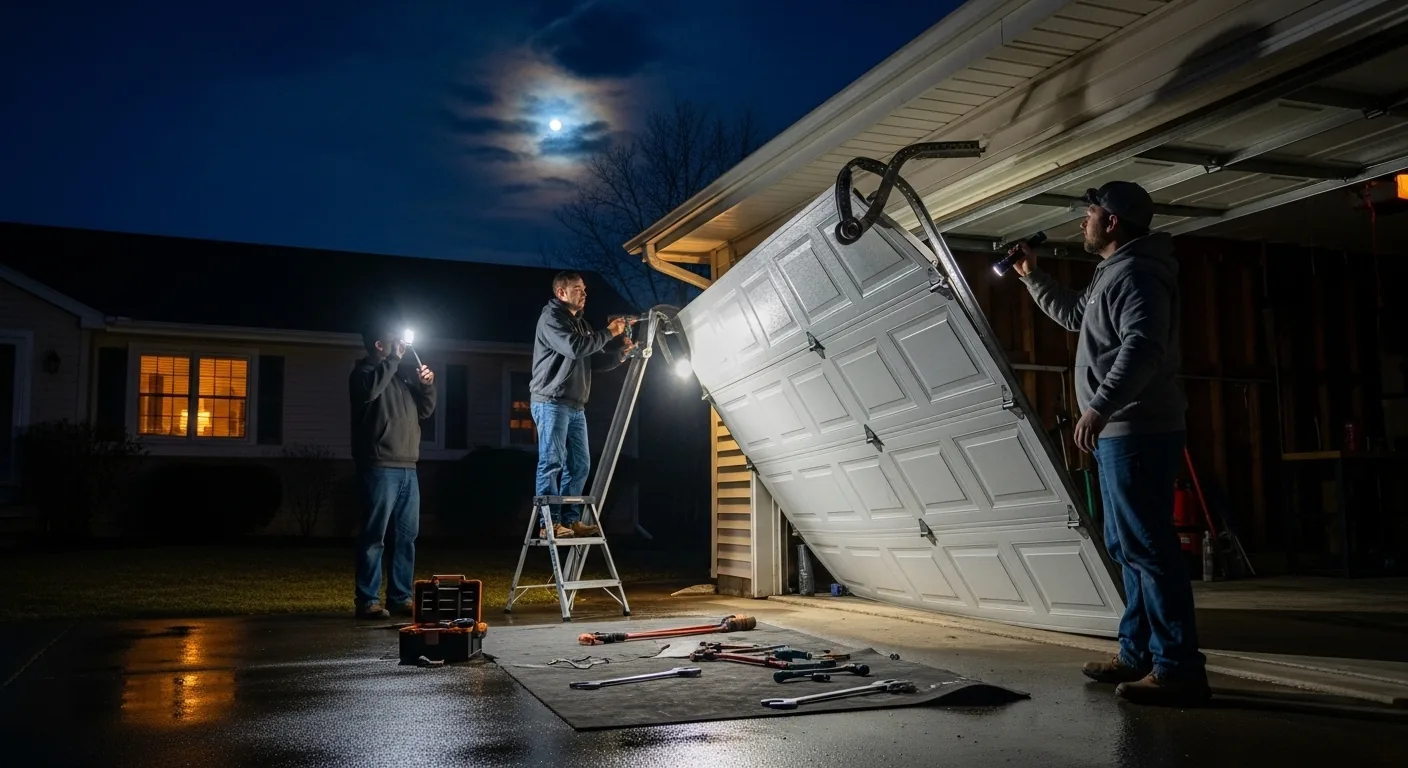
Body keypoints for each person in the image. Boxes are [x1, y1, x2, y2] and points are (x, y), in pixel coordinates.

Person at [1008, 181, 1209, 706]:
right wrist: (1033, 278)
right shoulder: (1113, 273)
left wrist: (1099, 407)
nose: (1083, 222)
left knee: (1149, 547)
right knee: (1128, 548)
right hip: (1123, 431)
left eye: (1089, 212)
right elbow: (1078, 316)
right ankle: (1138, 654)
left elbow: (1144, 346)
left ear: (1113, 221)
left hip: (1138, 430)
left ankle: (1178, 667)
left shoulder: (1140, 273)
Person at [529, 272, 634, 539]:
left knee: (580, 465)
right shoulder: (551, 319)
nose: (584, 293)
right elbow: (575, 348)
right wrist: (609, 332)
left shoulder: (582, 324)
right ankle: (548, 524)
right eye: (577, 289)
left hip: (575, 406)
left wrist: (621, 353)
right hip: (551, 401)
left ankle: (570, 520)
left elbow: (593, 360)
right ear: (561, 293)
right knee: (552, 462)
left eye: (585, 289)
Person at [348, 320, 436, 620]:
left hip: (408, 467)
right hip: (379, 466)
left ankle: (400, 597)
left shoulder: (398, 379)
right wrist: (395, 359)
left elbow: (424, 411)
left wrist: (426, 387)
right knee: (374, 536)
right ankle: (367, 600)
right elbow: (370, 391)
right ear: (378, 345)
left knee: (406, 536)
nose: (399, 342)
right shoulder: (362, 374)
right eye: (392, 339)